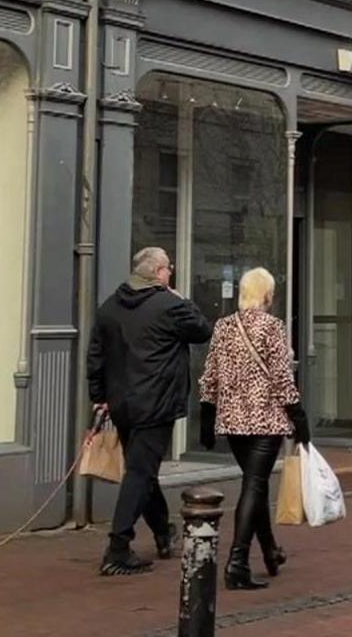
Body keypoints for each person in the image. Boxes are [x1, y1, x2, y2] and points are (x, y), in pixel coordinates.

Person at [87, 246, 213, 577]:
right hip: (156, 403)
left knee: (143, 468)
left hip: (122, 405)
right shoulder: (169, 304)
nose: (170, 272)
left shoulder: (109, 307)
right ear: (158, 273)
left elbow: (96, 355)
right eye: (168, 268)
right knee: (140, 473)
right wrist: (181, 297)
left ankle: (162, 532)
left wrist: (99, 397)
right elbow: (202, 329)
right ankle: (117, 547)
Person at [198, 267, 308, 590]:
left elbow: (210, 375)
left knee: (253, 485)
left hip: (232, 422)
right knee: (255, 485)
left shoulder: (223, 326)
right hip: (265, 421)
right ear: (268, 295)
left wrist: (207, 415)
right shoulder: (272, 327)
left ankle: (270, 551)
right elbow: (281, 377)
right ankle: (237, 562)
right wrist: (298, 417)